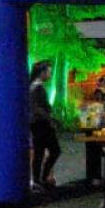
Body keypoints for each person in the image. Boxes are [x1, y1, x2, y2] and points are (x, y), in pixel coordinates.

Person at [28, 62, 61, 192]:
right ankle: (41, 178)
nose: (50, 74)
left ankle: (38, 180)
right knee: (54, 150)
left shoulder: (32, 87)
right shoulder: (38, 88)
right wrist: (51, 119)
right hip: (41, 123)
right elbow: (38, 108)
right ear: (42, 73)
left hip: (36, 123)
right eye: (48, 72)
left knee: (39, 152)